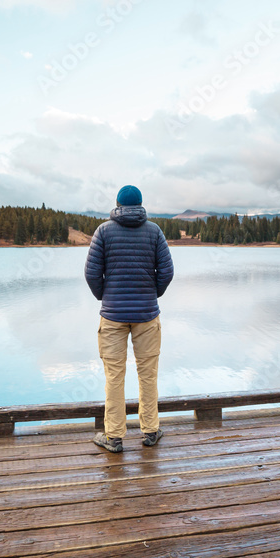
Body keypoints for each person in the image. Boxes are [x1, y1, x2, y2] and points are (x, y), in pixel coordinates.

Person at [85, 184, 174, 452]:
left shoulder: (103, 231)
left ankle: (113, 437)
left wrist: (106, 297)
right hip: (147, 315)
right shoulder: (154, 231)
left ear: (118, 205)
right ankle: (150, 431)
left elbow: (91, 274)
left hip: (113, 317)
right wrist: (152, 294)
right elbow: (167, 271)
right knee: (148, 374)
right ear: (140, 205)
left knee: (114, 376)